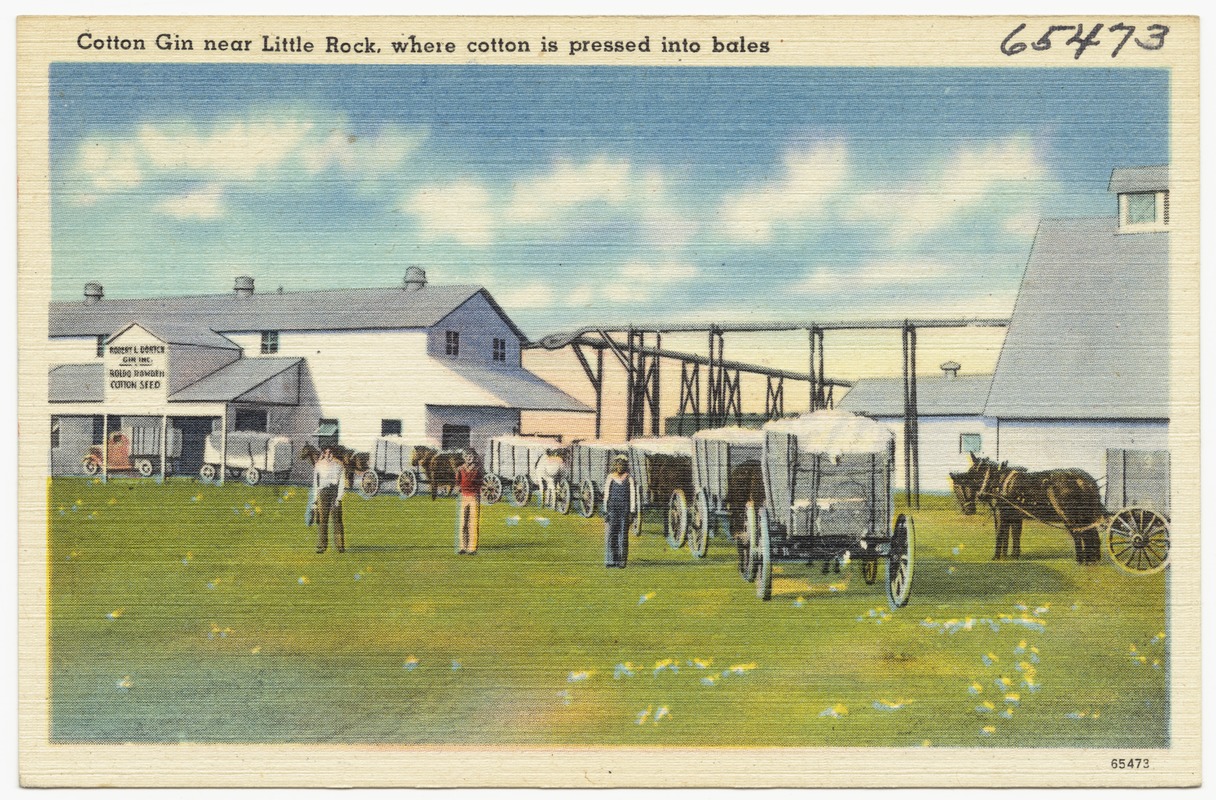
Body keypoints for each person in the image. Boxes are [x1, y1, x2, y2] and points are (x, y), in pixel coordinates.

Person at [312, 446, 345, 553]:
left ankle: (340, 546)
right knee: (322, 520)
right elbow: (316, 484)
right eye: (326, 452)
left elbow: (342, 483)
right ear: (323, 453)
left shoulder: (339, 465)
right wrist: (314, 501)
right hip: (322, 493)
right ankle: (322, 546)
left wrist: (339, 498)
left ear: (333, 453)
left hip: (334, 492)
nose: (328, 454)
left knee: (337, 519)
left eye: (330, 452)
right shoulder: (318, 465)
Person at [604, 455, 634, 568]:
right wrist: (606, 510)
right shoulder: (610, 477)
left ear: (625, 466)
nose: (620, 466)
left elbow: (632, 495)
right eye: (618, 464)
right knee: (612, 535)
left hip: (625, 510)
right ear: (615, 465)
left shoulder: (629, 478)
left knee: (624, 536)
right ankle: (613, 560)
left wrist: (632, 511)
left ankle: (622, 561)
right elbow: (606, 495)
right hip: (613, 509)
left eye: (622, 464)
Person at [455, 449, 483, 554]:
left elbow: (480, 482)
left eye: (471, 456)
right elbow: (457, 482)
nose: (468, 458)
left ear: (474, 457)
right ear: (463, 457)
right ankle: (463, 547)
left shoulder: (478, 469)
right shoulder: (460, 469)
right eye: (466, 456)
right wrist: (458, 488)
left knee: (473, 523)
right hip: (464, 497)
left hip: (474, 497)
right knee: (463, 523)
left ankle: (472, 548)